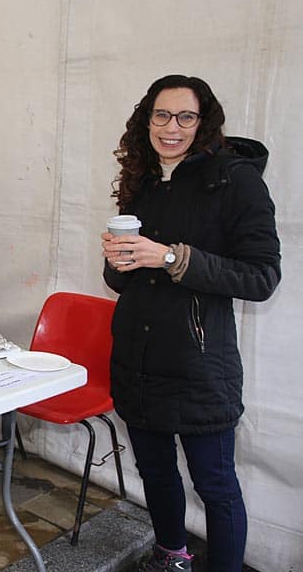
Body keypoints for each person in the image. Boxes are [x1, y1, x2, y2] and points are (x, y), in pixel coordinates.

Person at [101, 75, 281, 572]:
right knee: (156, 473)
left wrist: (173, 258)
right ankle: (171, 555)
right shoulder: (143, 179)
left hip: (200, 364)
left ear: (204, 123)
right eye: (161, 115)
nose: (171, 127)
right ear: (147, 119)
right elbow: (123, 281)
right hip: (138, 358)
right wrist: (118, 261)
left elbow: (262, 276)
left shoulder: (235, 179)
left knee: (216, 486)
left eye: (185, 116)